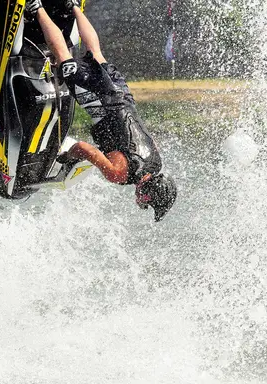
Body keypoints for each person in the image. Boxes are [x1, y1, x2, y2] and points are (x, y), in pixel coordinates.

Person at [26, 0, 177, 222]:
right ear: (147, 195)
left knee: (96, 53)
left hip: (123, 96)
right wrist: (66, 158)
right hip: (100, 100)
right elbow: (84, 148)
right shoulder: (119, 174)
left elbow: (148, 138)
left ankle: (74, 6)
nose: (141, 205)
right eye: (147, 204)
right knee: (63, 57)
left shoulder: (156, 162)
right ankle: (36, 7)